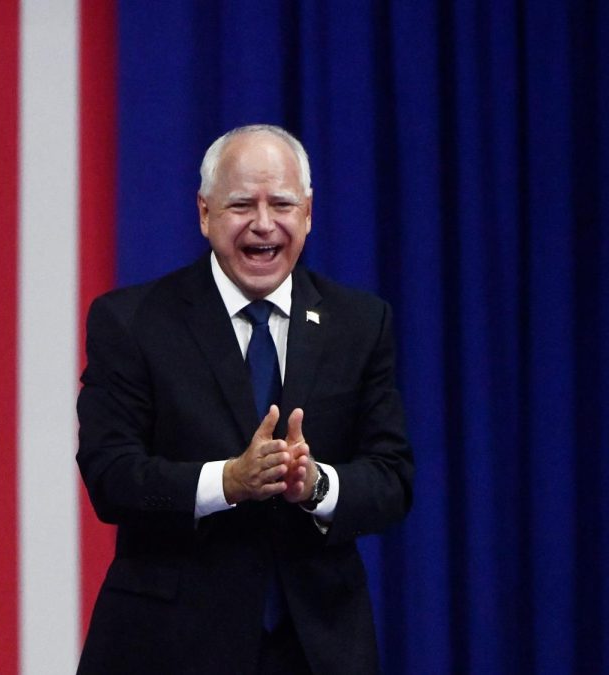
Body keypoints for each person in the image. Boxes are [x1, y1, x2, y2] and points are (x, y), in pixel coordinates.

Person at [76, 124, 414, 674]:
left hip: (317, 648)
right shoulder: (132, 321)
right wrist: (227, 482)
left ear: (307, 212)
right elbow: (111, 477)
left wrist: (316, 485)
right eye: (241, 205)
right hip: (169, 646)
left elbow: (393, 478)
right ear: (205, 213)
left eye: (281, 203)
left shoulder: (360, 322)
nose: (263, 224)